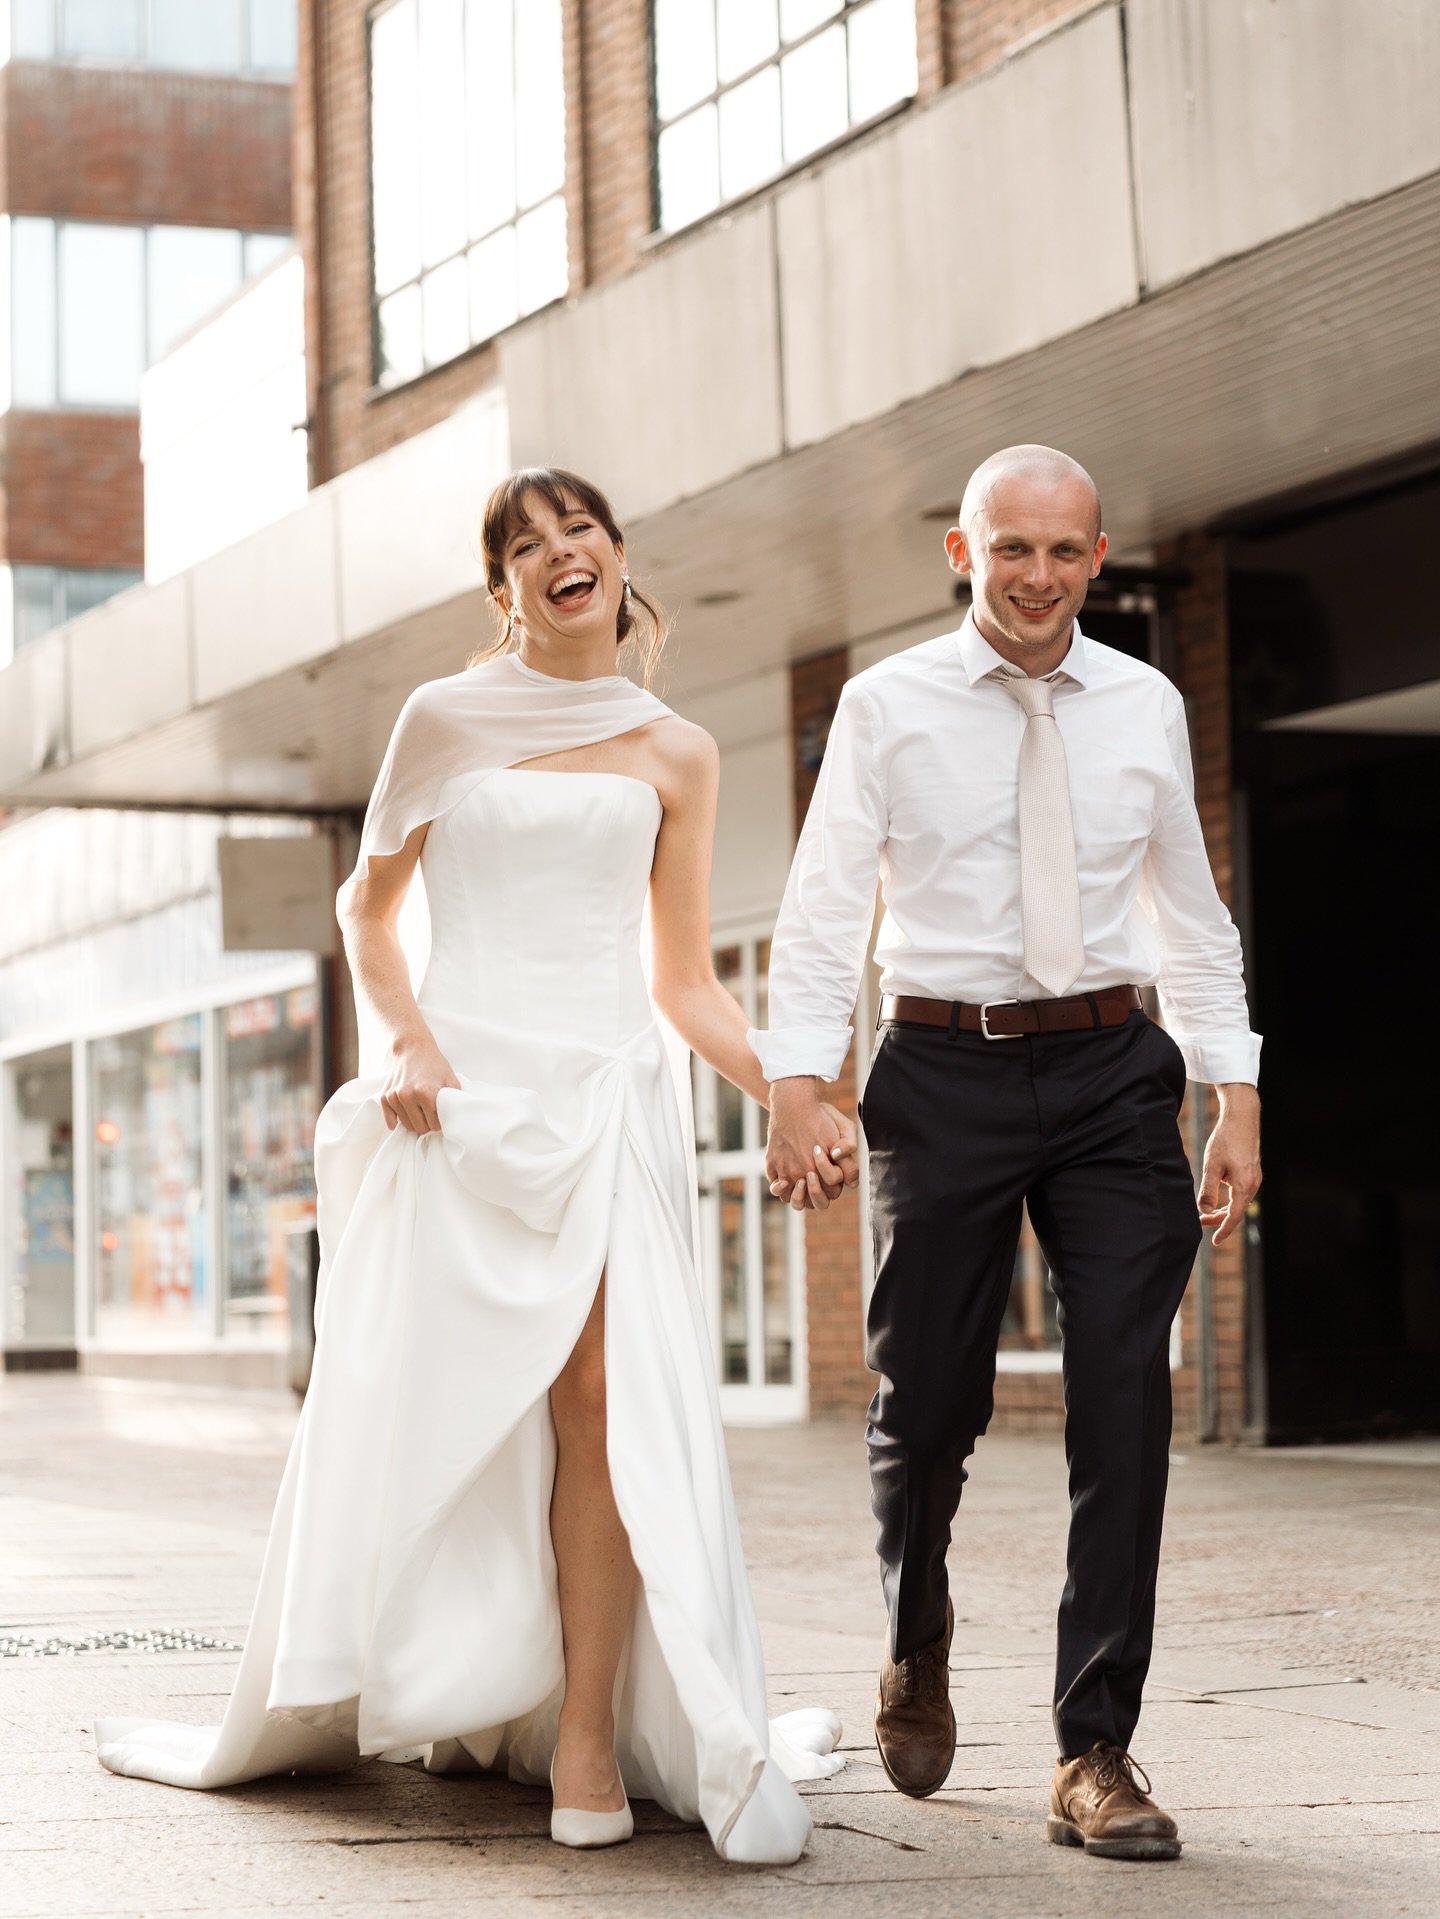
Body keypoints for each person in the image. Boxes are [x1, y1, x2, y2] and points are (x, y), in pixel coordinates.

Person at [95, 467, 853, 1863]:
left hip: (611, 1097)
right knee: (469, 1410)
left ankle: (582, 1736)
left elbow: (682, 980)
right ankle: (470, 1682)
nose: (562, 553)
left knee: (600, 1398)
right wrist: (409, 1041)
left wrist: (788, 1091)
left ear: (619, 561)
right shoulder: (440, 721)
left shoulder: (676, 749)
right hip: (466, 1106)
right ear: (502, 591)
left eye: (582, 530)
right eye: (526, 544)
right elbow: (365, 907)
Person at [752, 445, 1262, 1862]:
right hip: (941, 1071)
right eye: (1010, 549)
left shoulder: (1146, 704)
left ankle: (1093, 1745)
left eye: (1062, 550)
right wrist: (801, 1078)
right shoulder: (885, 704)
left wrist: (1236, 1088)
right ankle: (916, 1634)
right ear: (960, 553)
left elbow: (1192, 917)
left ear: (1099, 556)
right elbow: (820, 904)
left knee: (1124, 1401)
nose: (1036, 577)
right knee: (925, 1405)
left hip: (1111, 1073)